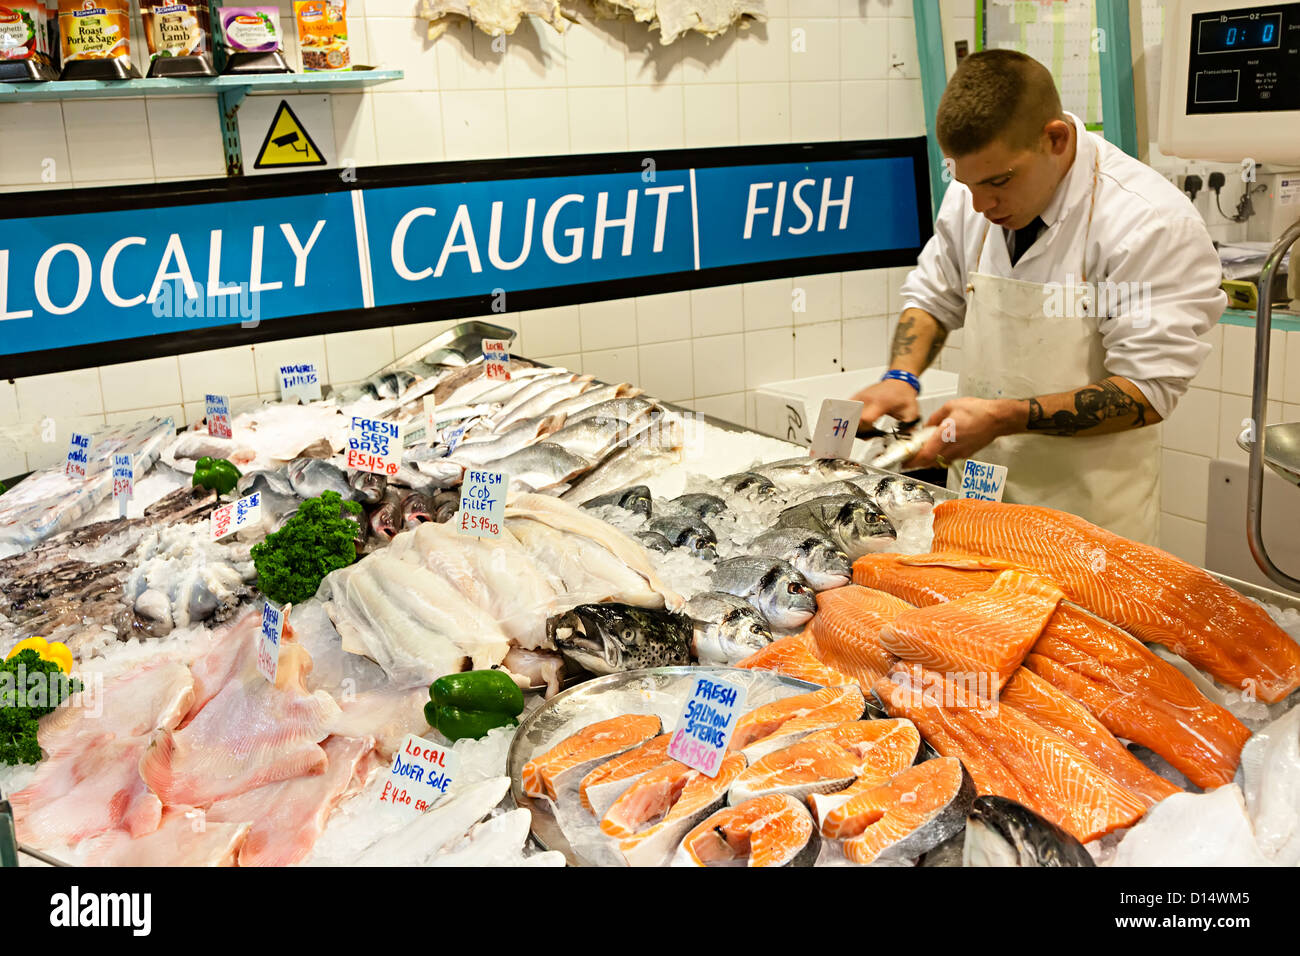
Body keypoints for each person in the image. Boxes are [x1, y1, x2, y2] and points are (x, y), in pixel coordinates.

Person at [851, 49, 1225, 545]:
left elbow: (1147, 392)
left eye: (998, 183)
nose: (982, 205)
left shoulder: (1148, 222)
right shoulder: (975, 193)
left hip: (1090, 525)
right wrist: (901, 377)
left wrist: (1003, 417)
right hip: (979, 502)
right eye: (967, 185)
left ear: (1056, 138)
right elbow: (935, 294)